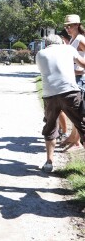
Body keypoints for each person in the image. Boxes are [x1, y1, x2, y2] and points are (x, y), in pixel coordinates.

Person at [36, 33, 85, 172]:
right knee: (82, 125)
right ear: (61, 42)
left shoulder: (40, 54)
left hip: (49, 95)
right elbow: (82, 64)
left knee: (50, 127)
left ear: (46, 44)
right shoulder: (68, 49)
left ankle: (49, 162)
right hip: (70, 92)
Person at [59, 15, 85, 149]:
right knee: (75, 110)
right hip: (73, 77)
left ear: (76, 25)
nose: (67, 28)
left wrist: (81, 69)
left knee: (77, 110)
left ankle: (76, 140)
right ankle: (74, 138)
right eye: (66, 26)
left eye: (69, 26)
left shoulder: (80, 39)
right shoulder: (74, 40)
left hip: (79, 78)